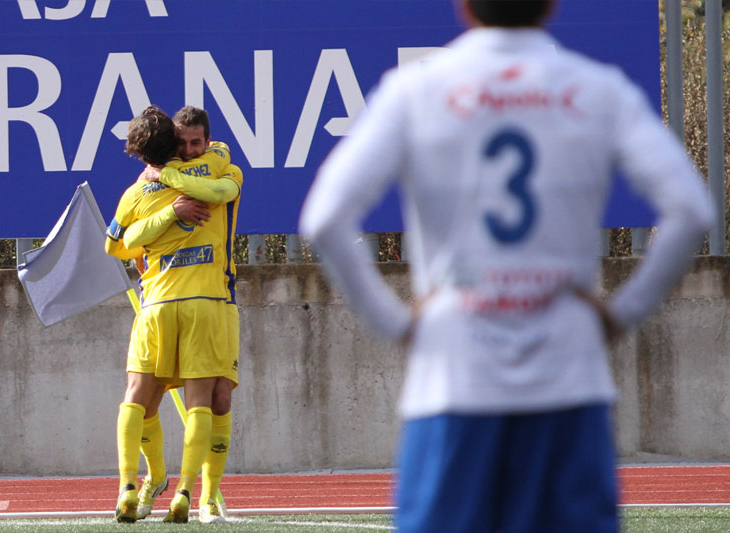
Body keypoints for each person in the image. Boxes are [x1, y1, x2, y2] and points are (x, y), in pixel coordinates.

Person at [299, 1, 714, 531]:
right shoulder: (598, 89)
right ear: (550, 4)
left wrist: (398, 323)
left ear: (464, 6)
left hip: (453, 380)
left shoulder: (417, 91)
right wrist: (621, 313)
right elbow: (690, 209)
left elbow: (325, 217)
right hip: (568, 382)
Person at [105, 105, 242, 524]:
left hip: (211, 296)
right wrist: (170, 210)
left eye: (196, 142)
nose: (189, 149)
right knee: (152, 397)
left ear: (206, 140)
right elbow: (118, 245)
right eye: (181, 143)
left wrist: (162, 177)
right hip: (180, 303)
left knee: (216, 398)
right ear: (171, 143)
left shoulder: (220, 166)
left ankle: (207, 495)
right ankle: (161, 484)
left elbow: (117, 244)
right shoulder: (145, 190)